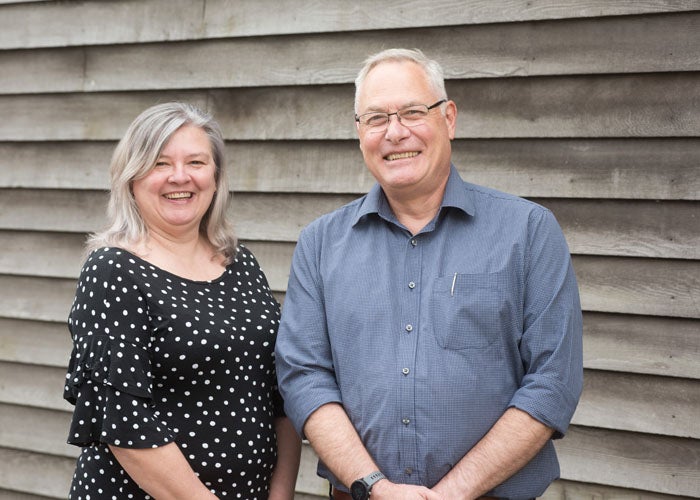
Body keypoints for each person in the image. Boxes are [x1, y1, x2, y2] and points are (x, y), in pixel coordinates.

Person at [275, 48, 583, 500]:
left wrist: (454, 492)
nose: (395, 133)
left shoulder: (528, 231)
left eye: (413, 112)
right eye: (377, 118)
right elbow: (304, 375)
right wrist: (375, 486)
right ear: (359, 132)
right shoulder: (320, 244)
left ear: (449, 118)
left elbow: (552, 382)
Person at [63, 102, 301, 499]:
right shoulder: (114, 270)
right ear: (132, 178)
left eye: (196, 161)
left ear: (215, 175)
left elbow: (279, 392)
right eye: (160, 163)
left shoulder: (240, 264)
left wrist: (280, 494)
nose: (180, 177)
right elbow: (125, 422)